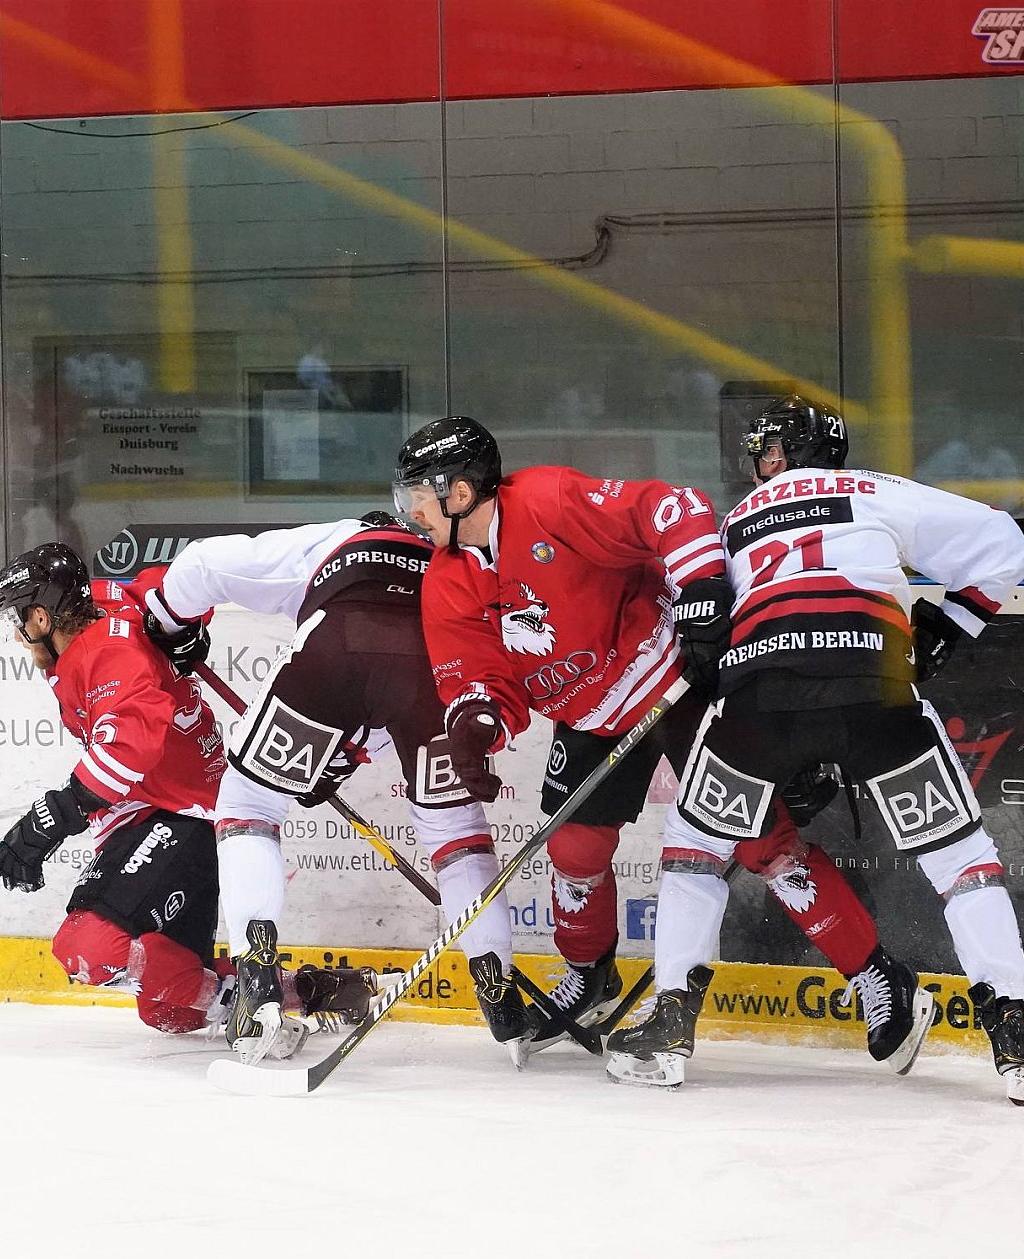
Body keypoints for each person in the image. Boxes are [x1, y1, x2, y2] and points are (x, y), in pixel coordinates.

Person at [393, 416, 926, 1067]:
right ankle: (590, 976)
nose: (412, 510)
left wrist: (701, 589)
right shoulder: (446, 578)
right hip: (588, 713)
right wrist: (477, 727)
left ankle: (878, 974)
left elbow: (671, 508)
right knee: (573, 847)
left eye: (419, 494)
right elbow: (478, 677)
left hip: (674, 678)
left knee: (761, 841)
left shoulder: (547, 499)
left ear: (461, 491)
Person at [604, 396, 1024, 1104]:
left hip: (761, 700)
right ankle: (1017, 1039)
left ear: (795, 454)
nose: (764, 466)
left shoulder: (735, 521)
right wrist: (947, 626)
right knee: (961, 860)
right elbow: (1002, 547)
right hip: (875, 689)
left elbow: (699, 619)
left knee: (695, 850)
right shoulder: (874, 489)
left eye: (771, 452)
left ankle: (669, 1027)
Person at [138, 513, 529, 1065]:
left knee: (250, 804)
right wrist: (354, 746)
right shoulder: (459, 559)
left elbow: (202, 564)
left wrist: (169, 623)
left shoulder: (338, 538)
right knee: (457, 833)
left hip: (335, 650)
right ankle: (500, 993)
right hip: (436, 673)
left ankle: (257, 981)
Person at [0, 541, 376, 1040]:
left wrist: (53, 818)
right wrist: (184, 626)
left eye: (18, 619)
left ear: (42, 617)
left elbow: (130, 746)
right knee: (171, 1012)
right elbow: (164, 585)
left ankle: (243, 1007)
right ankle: (312, 992)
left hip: (181, 816)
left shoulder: (108, 656)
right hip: (172, 811)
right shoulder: (105, 605)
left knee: (87, 948)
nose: (17, 635)